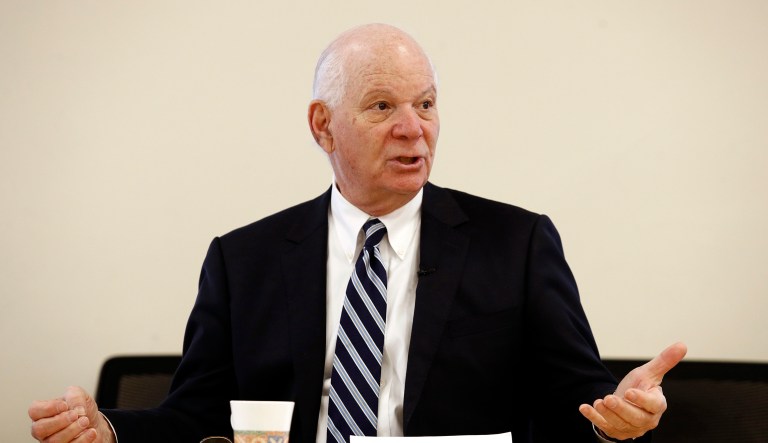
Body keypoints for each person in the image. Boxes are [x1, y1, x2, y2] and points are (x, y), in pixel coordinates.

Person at [29, 23, 687, 443]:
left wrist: (617, 417)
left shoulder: (516, 244)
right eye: (381, 106)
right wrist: (109, 429)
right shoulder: (243, 259)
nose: (413, 128)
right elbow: (197, 412)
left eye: (425, 104)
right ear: (323, 126)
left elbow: (578, 403)